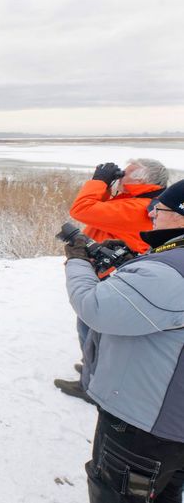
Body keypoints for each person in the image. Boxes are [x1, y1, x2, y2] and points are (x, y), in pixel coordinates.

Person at [64, 178, 184, 502]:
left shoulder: (170, 272)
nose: (153, 214)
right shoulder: (168, 264)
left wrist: (77, 261)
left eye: (161, 208)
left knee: (115, 492)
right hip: (172, 421)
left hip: (143, 425)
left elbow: (95, 307)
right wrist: (137, 266)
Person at [55, 158, 168, 402]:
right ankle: (91, 368)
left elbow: (82, 210)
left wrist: (99, 181)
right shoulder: (136, 202)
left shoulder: (138, 207)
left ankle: (91, 385)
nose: (119, 178)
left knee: (92, 326)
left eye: (125, 174)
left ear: (141, 181)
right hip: (109, 272)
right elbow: (99, 212)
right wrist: (107, 186)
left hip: (110, 276)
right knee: (93, 329)